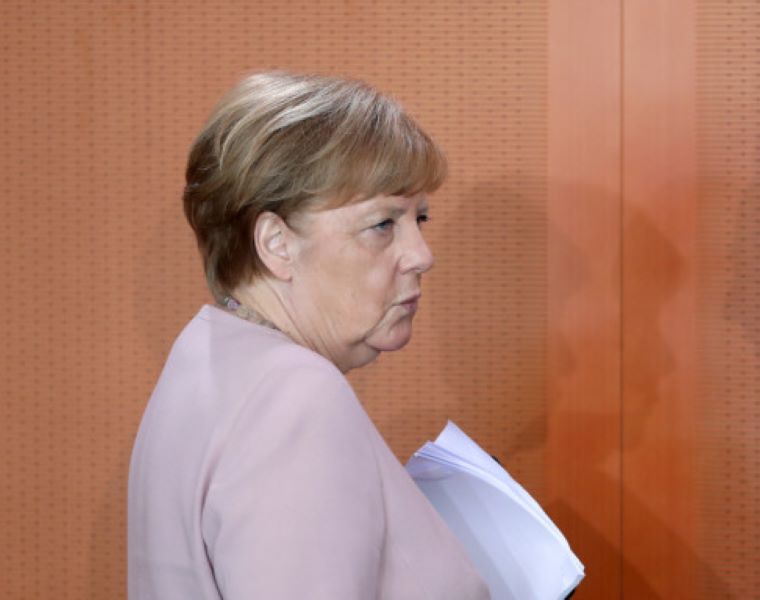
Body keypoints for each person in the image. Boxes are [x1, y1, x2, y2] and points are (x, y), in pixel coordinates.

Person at [127, 72, 489, 599]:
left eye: (421, 218)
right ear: (277, 243)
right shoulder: (296, 397)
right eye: (383, 224)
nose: (421, 255)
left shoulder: (206, 353)